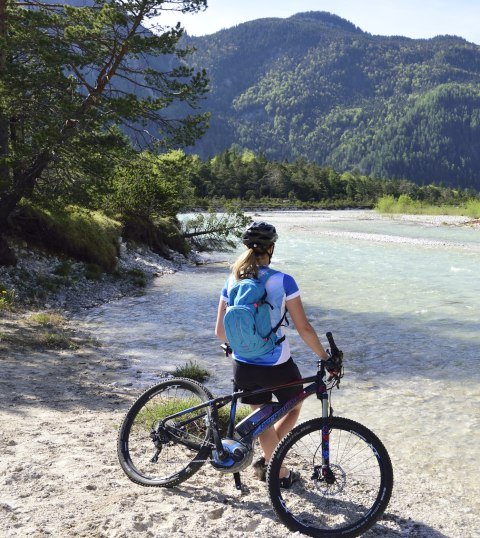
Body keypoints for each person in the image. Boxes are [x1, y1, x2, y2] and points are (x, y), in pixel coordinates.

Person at [215, 221, 330, 488]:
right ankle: (274, 468)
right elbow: (303, 328)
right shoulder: (283, 280)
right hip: (276, 363)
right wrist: (325, 357)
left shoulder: (231, 279)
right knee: (296, 403)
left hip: (242, 364)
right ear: (271, 248)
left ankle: (272, 465)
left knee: (263, 418)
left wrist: (239, 345)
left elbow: (220, 332)